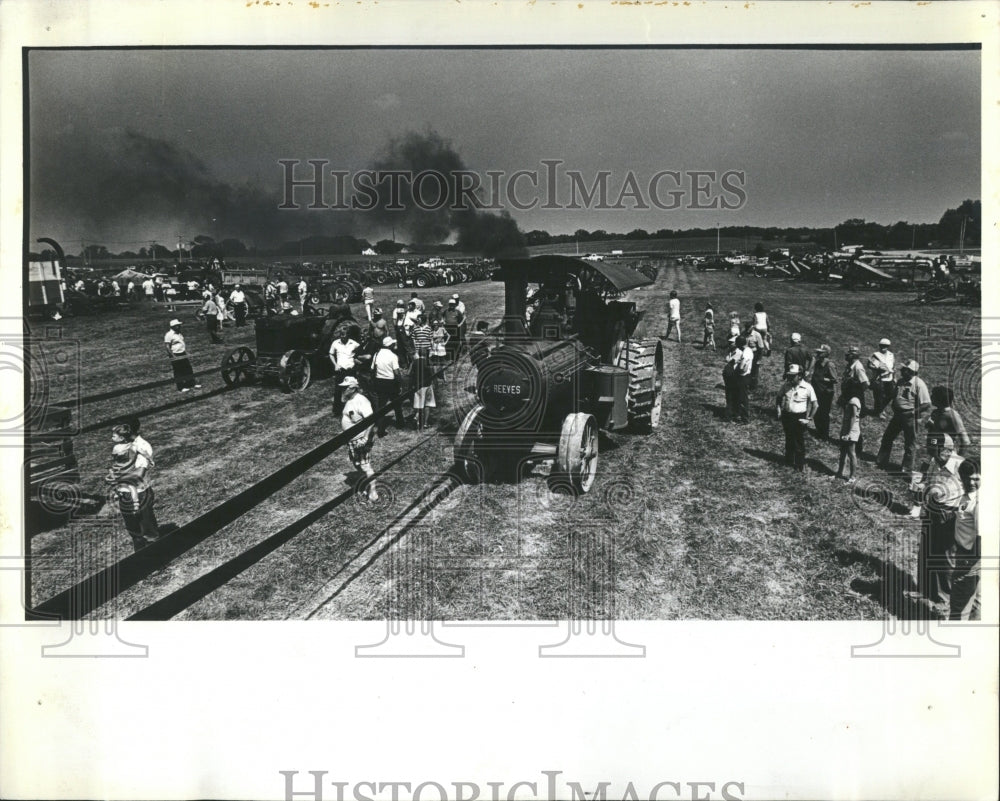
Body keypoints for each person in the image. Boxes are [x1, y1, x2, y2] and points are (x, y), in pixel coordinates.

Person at [912, 433, 965, 614]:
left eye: (938, 451)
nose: (934, 455)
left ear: (949, 450)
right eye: (932, 451)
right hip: (931, 509)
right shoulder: (935, 461)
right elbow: (928, 479)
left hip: (950, 513)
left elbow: (975, 491)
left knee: (946, 558)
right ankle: (924, 590)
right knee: (926, 551)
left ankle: (945, 599)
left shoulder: (961, 464)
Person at [104, 423, 160, 552]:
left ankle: (157, 557)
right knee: (133, 529)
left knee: (147, 528)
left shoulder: (141, 446)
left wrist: (116, 479)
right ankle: (140, 557)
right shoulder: (121, 447)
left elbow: (138, 475)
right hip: (124, 492)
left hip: (140, 492)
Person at [877, 359, 931, 475]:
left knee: (910, 444)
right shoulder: (901, 381)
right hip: (898, 415)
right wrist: (882, 407)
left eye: (904, 370)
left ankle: (906, 469)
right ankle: (881, 461)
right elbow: (892, 395)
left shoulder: (919, 384)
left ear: (911, 372)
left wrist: (912, 413)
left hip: (910, 417)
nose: (901, 370)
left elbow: (926, 404)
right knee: (887, 437)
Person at [949, 459, 981, 621]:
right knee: (976, 600)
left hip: (970, 556)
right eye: (967, 478)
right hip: (971, 555)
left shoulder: (979, 502)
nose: (971, 482)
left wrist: (970, 561)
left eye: (976, 478)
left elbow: (982, 536)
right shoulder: (968, 497)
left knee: (959, 602)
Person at [339, 376, 378, 503]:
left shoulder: (361, 400)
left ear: (353, 388)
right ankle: (367, 485)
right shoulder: (350, 399)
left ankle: (373, 493)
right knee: (357, 464)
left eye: (346, 387)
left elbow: (371, 419)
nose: (343, 389)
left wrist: (366, 437)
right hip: (352, 439)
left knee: (365, 466)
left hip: (360, 439)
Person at [775, 363, 818, 472]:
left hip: (799, 417)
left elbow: (815, 405)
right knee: (788, 438)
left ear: (800, 375)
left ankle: (800, 464)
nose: (789, 377)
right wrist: (779, 410)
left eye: (792, 375)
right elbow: (779, 397)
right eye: (789, 375)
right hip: (787, 416)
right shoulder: (786, 385)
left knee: (798, 441)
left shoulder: (807, 387)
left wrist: (808, 419)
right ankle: (788, 461)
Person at [372, 336, 406, 435]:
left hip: (379, 382)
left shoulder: (376, 354)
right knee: (397, 404)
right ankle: (400, 423)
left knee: (381, 406)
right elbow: (396, 373)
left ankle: (380, 428)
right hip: (390, 383)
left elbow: (373, 368)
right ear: (390, 345)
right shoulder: (393, 356)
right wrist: (400, 384)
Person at [927, 386, 971, 456]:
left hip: (947, 456)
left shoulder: (953, 416)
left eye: (933, 395)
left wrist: (958, 461)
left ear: (940, 399)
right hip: (933, 454)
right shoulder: (936, 412)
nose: (930, 397)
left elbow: (965, 441)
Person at [410, 314, 436, 430]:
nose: (417, 320)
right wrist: (415, 350)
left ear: (424, 320)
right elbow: (413, 338)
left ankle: (418, 418)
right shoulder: (415, 328)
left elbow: (431, 339)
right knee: (418, 368)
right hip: (418, 352)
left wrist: (431, 351)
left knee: (426, 368)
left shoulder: (428, 328)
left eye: (419, 319)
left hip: (426, 352)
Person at [808, 344, 839, 440]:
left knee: (824, 414)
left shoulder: (829, 365)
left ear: (825, 354)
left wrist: (823, 379)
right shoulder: (817, 363)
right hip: (816, 391)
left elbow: (835, 379)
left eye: (820, 353)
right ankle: (819, 431)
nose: (817, 354)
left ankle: (824, 435)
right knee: (816, 412)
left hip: (825, 393)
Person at [163, 319, 200, 392]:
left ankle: (191, 383)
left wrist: (186, 352)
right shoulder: (169, 335)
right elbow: (167, 347)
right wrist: (173, 356)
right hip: (175, 354)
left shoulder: (179, 333)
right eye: (178, 325)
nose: (179, 326)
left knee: (188, 368)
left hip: (182, 353)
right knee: (178, 371)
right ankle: (181, 387)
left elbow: (181, 344)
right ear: (173, 326)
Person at [329, 329, 360, 413]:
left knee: (352, 389)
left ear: (348, 335)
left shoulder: (354, 343)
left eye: (344, 335)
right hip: (340, 370)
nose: (342, 337)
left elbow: (359, 353)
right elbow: (331, 354)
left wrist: (356, 362)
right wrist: (335, 364)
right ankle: (337, 410)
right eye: (341, 335)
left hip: (350, 370)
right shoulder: (335, 343)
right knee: (338, 390)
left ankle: (354, 408)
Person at [835, 389, 862, 483]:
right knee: (843, 452)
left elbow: (853, 417)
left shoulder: (854, 400)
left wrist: (848, 433)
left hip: (852, 430)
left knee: (851, 453)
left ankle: (852, 477)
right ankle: (839, 473)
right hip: (846, 428)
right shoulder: (850, 399)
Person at [867, 337, 895, 417]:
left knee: (890, 395)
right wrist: (877, 368)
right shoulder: (875, 355)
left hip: (889, 378)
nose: (883, 347)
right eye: (882, 345)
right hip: (879, 378)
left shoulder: (891, 355)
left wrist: (894, 377)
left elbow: (893, 366)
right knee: (878, 396)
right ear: (879, 346)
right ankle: (878, 412)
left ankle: (880, 409)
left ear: (888, 346)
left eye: (886, 346)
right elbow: (869, 365)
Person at [735, 334, 753, 423]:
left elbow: (742, 366)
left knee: (743, 398)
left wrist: (738, 368)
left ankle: (745, 418)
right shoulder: (748, 350)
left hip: (743, 377)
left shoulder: (745, 352)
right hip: (746, 376)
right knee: (742, 397)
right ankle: (742, 416)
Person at [722, 334, 741, 422]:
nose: (730, 344)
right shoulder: (730, 351)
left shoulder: (739, 353)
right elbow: (727, 359)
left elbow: (729, 361)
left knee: (733, 395)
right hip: (729, 376)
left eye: (731, 343)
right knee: (729, 395)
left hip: (735, 376)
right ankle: (730, 412)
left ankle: (732, 414)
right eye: (729, 343)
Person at [743, 323, 765, 391]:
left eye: (748, 328)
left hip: (754, 354)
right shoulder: (743, 333)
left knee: (754, 372)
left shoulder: (757, 334)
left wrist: (759, 359)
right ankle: (745, 385)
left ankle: (753, 388)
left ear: (752, 327)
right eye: (746, 328)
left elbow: (761, 348)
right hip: (746, 354)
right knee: (745, 370)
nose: (747, 330)